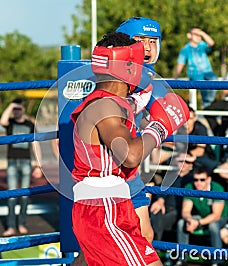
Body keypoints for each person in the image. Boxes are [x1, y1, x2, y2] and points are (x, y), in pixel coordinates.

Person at [70, 32, 189, 265]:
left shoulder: (108, 102)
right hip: (105, 209)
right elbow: (131, 155)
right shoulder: (105, 107)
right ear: (130, 67)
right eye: (139, 64)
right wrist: (160, 127)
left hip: (104, 206)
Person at [116, 16, 163, 244]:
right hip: (106, 170)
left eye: (152, 41)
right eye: (140, 40)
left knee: (145, 235)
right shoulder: (112, 76)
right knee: (105, 240)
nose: (147, 47)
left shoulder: (150, 79)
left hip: (130, 169)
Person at [0, 98, 43, 237]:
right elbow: (2, 121)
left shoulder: (30, 125)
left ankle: (22, 223)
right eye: (15, 109)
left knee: (24, 196)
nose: (16, 111)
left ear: (23, 108)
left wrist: (38, 165)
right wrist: (11, 105)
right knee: (11, 195)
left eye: (19, 108)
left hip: (26, 162)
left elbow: (35, 144)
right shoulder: (10, 123)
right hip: (12, 161)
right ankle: (11, 226)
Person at [176, 165, 228, 265]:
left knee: (213, 226)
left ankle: (217, 261)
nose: (198, 183)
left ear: (209, 179)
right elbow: (185, 211)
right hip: (201, 217)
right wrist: (190, 220)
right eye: (196, 179)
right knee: (181, 223)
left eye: (202, 179)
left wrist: (197, 222)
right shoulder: (189, 187)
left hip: (221, 218)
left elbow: (216, 215)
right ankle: (181, 259)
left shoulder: (217, 188)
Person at [150, 153, 195, 241]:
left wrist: (194, 158)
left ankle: (155, 244)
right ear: (175, 162)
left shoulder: (193, 179)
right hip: (166, 209)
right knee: (156, 210)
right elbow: (162, 191)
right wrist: (160, 200)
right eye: (181, 161)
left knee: (158, 219)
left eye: (187, 162)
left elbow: (209, 164)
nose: (184, 164)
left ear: (191, 164)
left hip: (180, 211)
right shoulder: (170, 176)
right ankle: (154, 244)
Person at [173, 27, 217, 108]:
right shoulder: (185, 49)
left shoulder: (202, 45)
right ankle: (207, 104)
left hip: (207, 72)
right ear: (189, 35)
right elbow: (180, 63)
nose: (198, 36)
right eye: (195, 34)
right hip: (195, 73)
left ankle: (211, 101)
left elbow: (211, 43)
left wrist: (202, 33)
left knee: (214, 78)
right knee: (202, 83)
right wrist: (175, 77)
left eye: (199, 35)